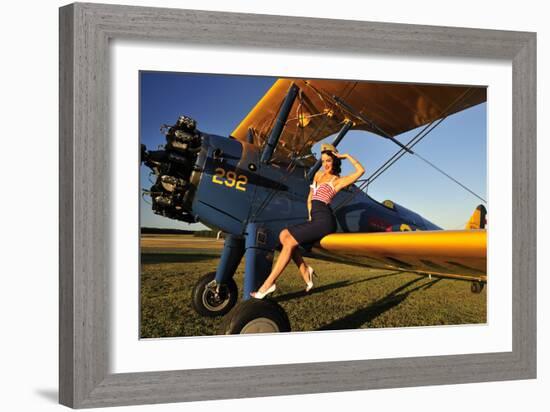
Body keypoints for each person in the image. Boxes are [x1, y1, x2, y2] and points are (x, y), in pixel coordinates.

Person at [250, 144, 365, 299]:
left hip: (325, 220)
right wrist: (310, 215)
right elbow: (310, 197)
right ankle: (305, 270)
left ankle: (268, 284)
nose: (325, 164)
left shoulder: (337, 181)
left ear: (335, 161)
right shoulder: (317, 175)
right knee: (284, 235)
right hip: (315, 218)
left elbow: (361, 171)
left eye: (329, 161)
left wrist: (346, 156)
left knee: (289, 241)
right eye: (323, 161)